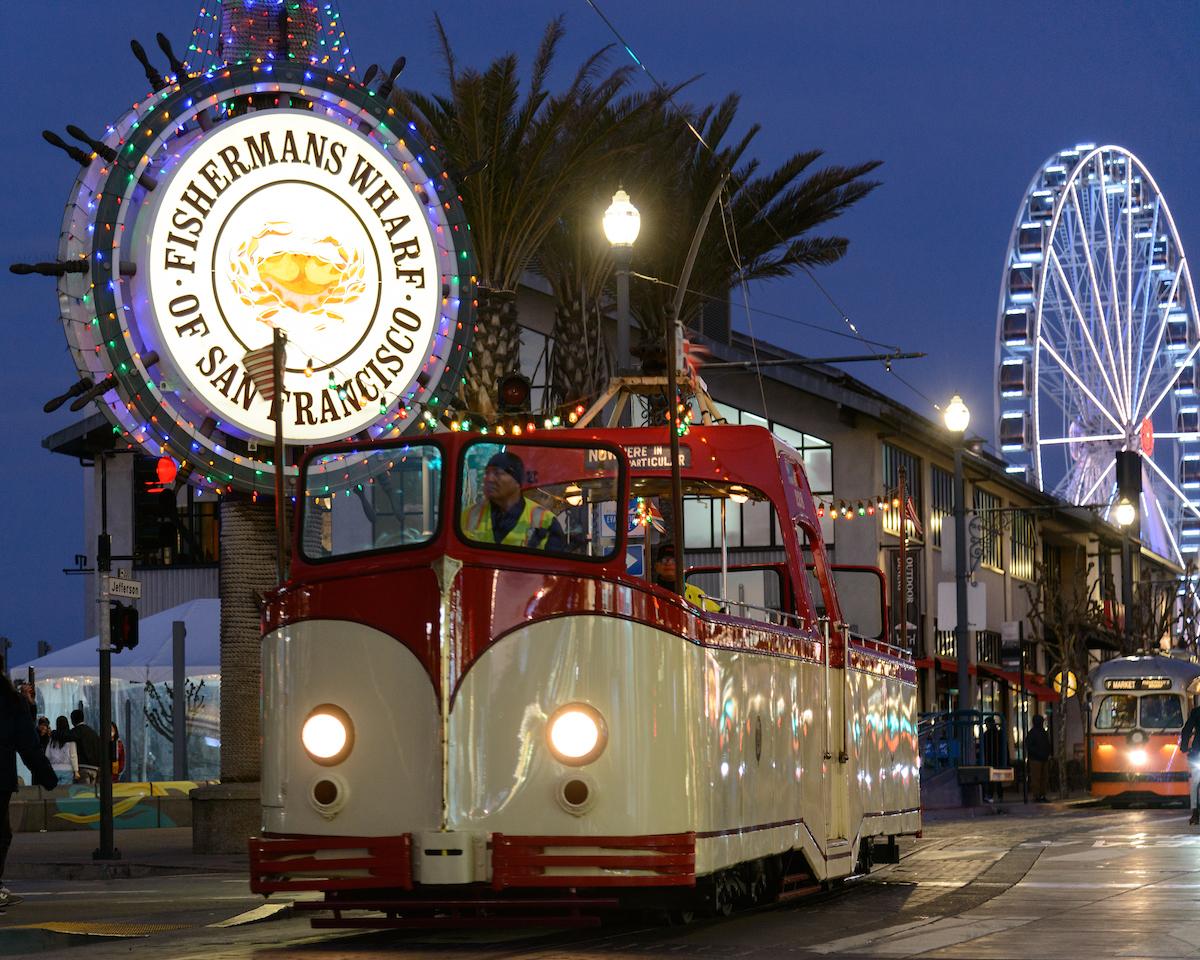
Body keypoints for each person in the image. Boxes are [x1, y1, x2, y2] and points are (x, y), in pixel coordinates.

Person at [1, 673, 58, 909]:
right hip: (0, 778)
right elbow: (27, 742)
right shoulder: (9, 701)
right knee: (2, 834)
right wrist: (47, 777)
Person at [460, 451, 565, 552]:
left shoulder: (545, 521)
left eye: (497, 473)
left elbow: (554, 566)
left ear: (517, 481)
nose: (489, 479)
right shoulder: (469, 515)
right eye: (487, 473)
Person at [652, 543, 721, 613]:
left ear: (682, 566)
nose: (669, 563)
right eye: (664, 560)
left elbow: (717, 613)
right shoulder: (650, 592)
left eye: (674, 560)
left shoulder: (696, 593)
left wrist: (722, 612)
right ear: (656, 566)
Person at [68, 709, 101, 785]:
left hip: (82, 768)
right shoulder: (93, 733)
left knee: (84, 794)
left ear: (73, 720)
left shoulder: (75, 732)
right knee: (92, 794)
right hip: (95, 768)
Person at [1180, 702, 1200, 824]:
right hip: (1198, 752)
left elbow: (1187, 729)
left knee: (1195, 782)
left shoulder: (1197, 712)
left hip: (1197, 751)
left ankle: (1195, 812)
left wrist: (1184, 746)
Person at [1026, 714, 1052, 803]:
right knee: (1038, 778)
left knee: (1041, 778)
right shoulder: (1036, 733)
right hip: (1037, 758)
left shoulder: (1036, 733)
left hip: (1040, 758)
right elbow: (1029, 746)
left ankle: (1040, 795)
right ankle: (1038, 795)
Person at [45, 716, 78, 785]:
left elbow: (47, 755)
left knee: (55, 793)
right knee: (65, 794)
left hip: (54, 770)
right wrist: (76, 771)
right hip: (67, 770)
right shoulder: (70, 738)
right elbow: (73, 756)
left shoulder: (52, 739)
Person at [982, 717, 1005, 802]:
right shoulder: (999, 733)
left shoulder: (987, 734)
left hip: (990, 758)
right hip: (997, 758)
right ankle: (999, 795)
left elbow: (984, 747)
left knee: (991, 779)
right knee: (997, 779)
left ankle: (991, 795)